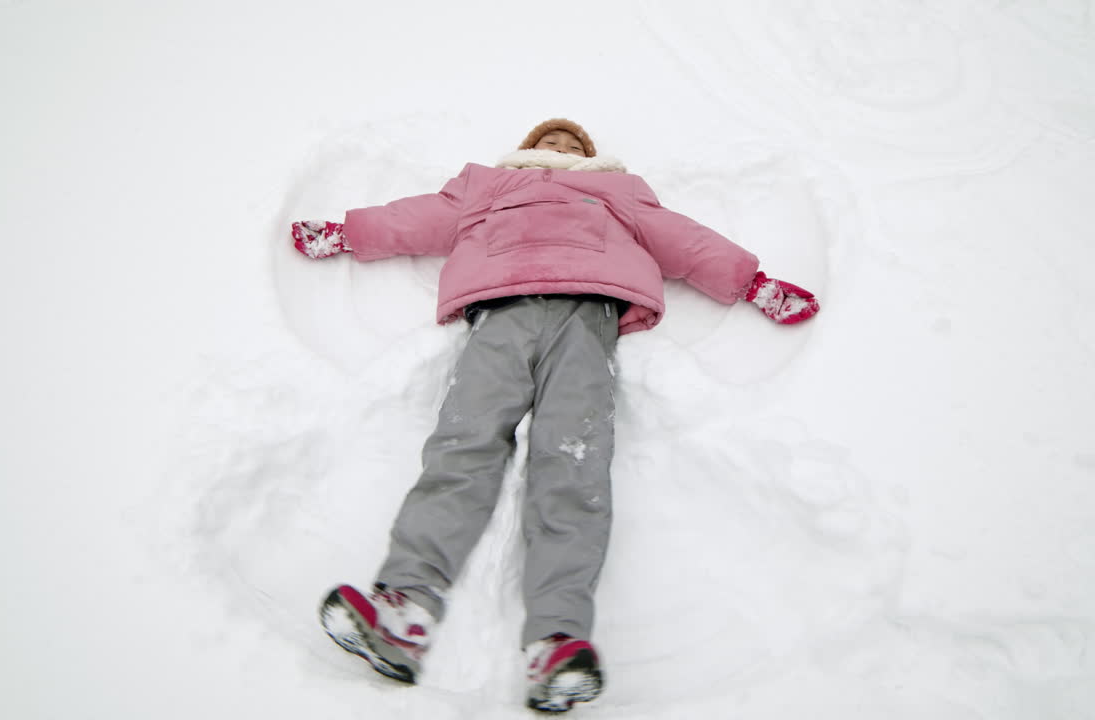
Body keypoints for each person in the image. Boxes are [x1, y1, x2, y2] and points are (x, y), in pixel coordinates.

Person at [292, 118, 819, 713]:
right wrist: (348, 233)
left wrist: (754, 284)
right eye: (551, 142)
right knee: (463, 446)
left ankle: (557, 641)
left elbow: (683, 239)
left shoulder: (619, 192)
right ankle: (403, 610)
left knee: (572, 462)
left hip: (585, 319)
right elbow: (417, 218)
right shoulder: (487, 186)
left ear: (593, 159)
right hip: (500, 314)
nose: (562, 150)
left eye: (575, 146)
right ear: (526, 150)